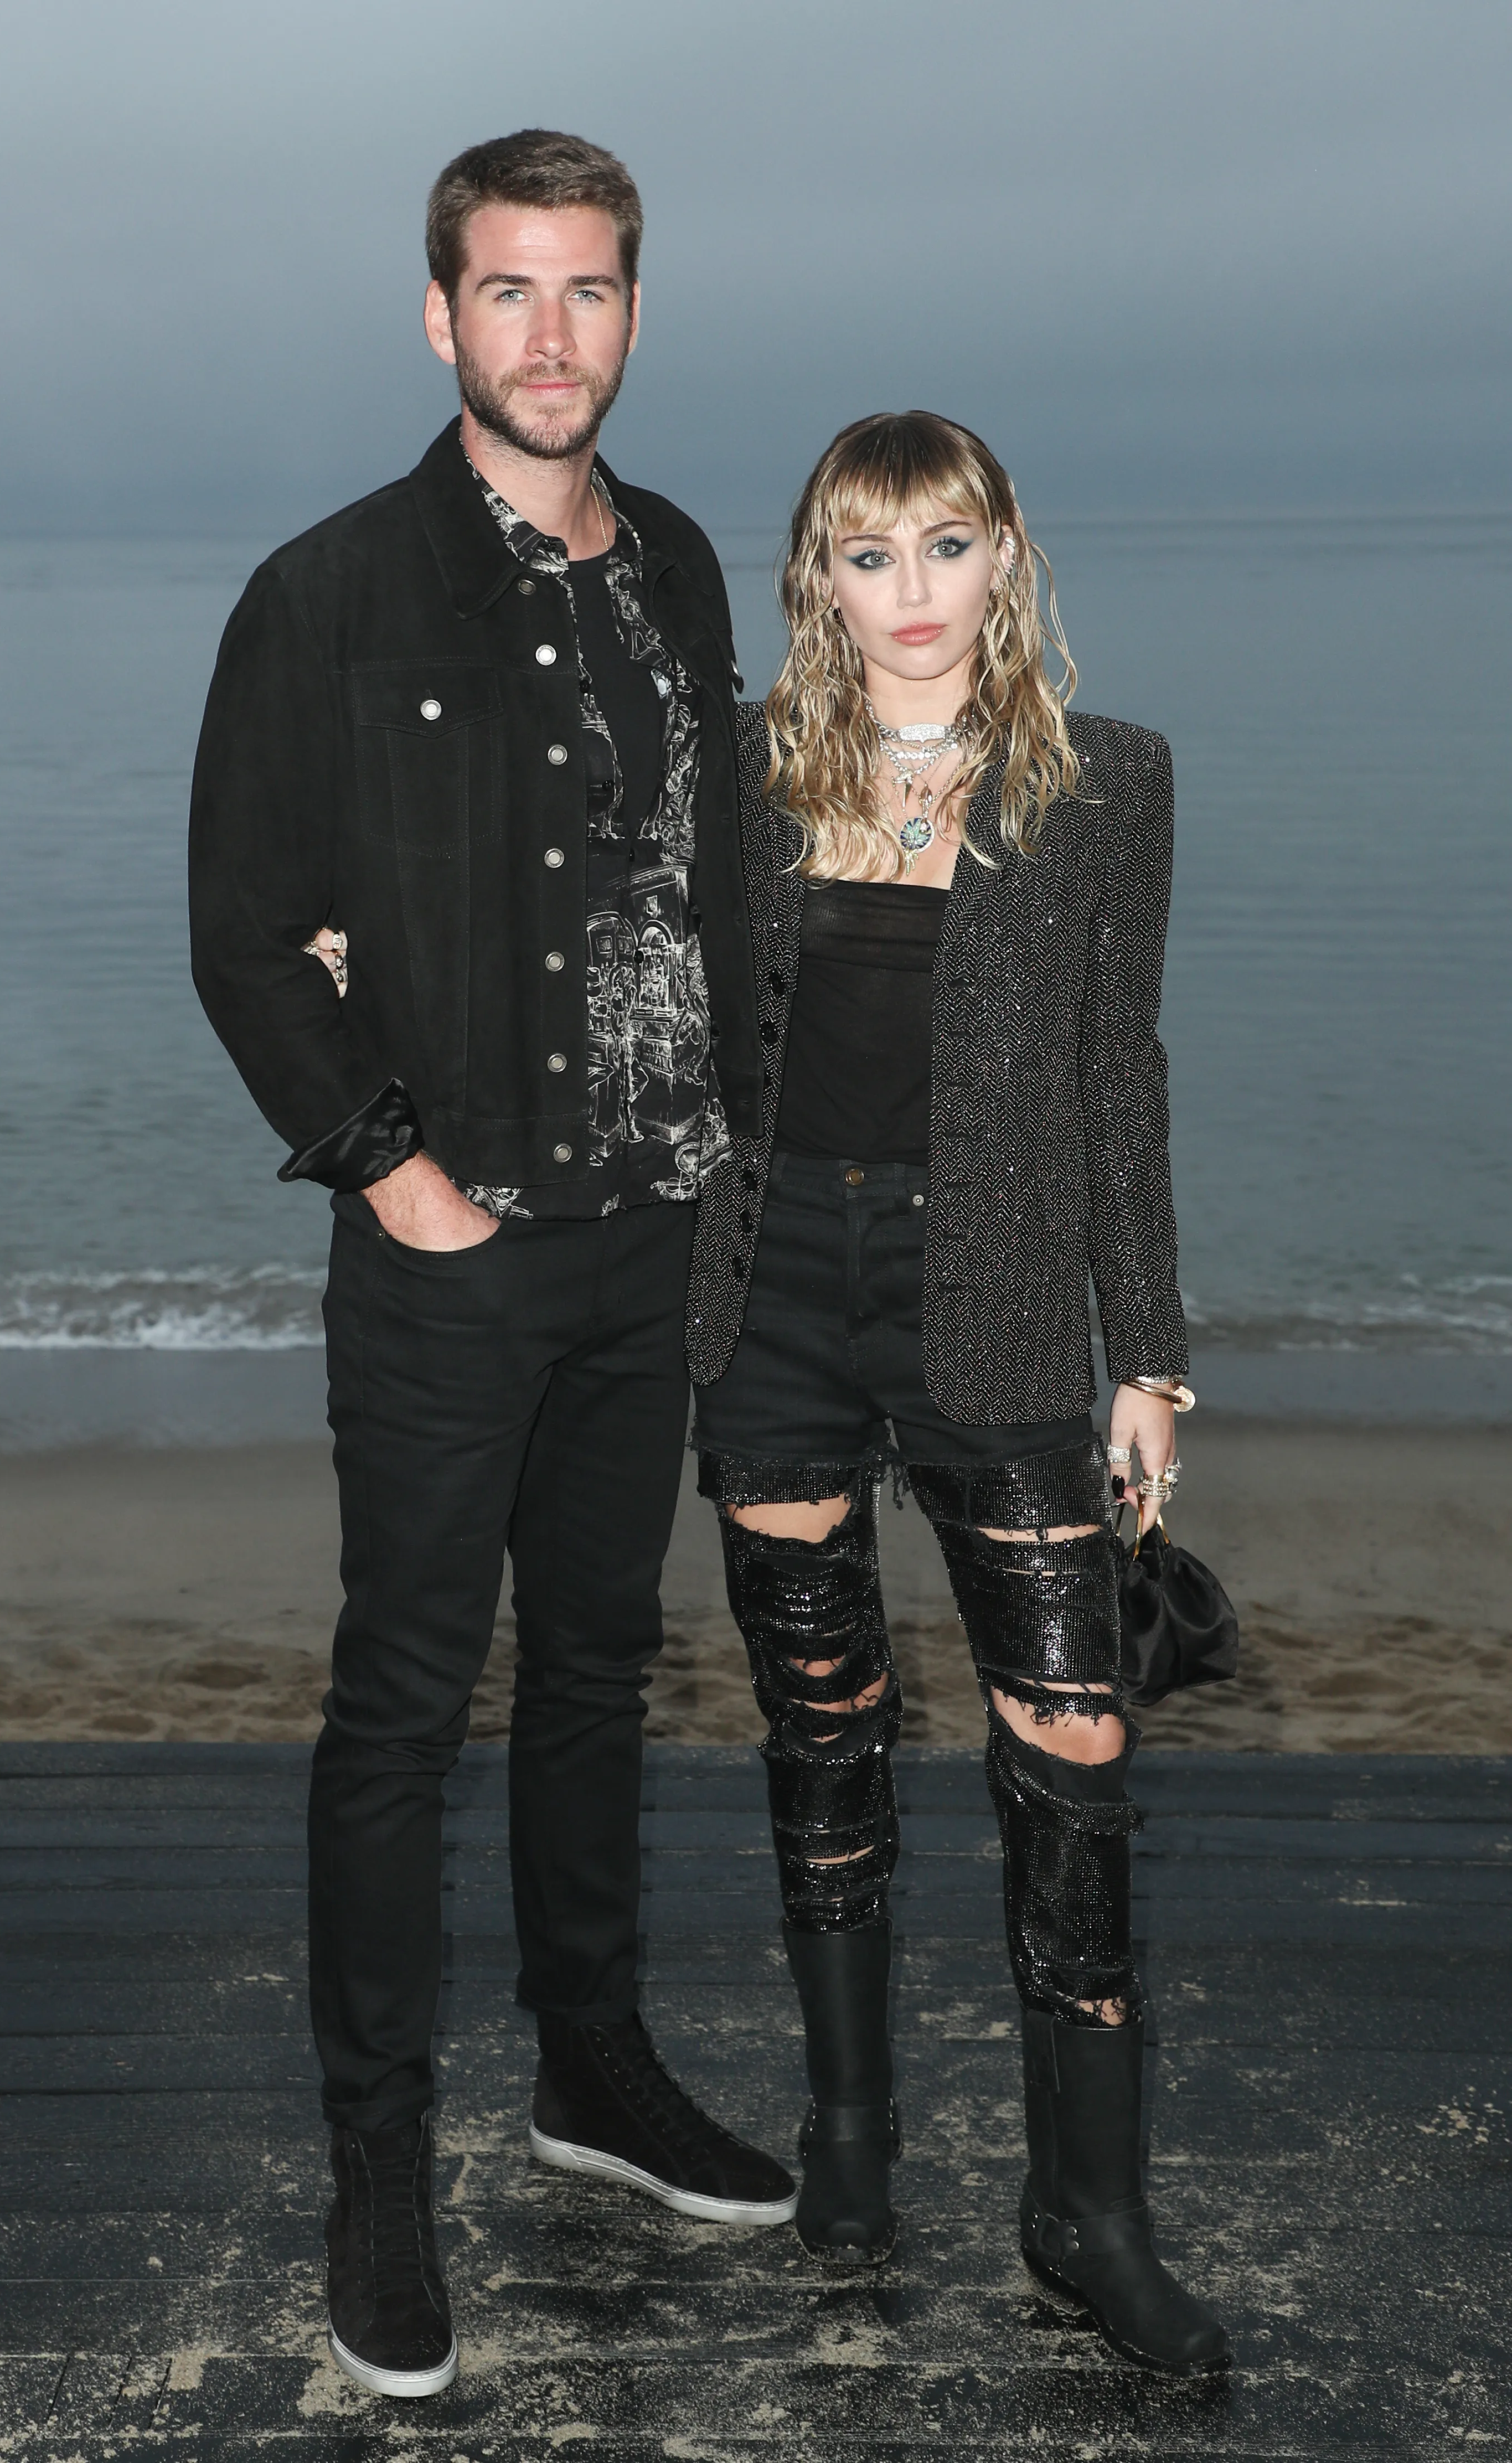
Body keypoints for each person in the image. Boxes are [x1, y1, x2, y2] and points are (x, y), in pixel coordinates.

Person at [189, 128, 796, 2405]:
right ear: (438, 316)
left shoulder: (691, 572)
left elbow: (707, 884)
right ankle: (376, 2159)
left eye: (596, 291)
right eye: (511, 293)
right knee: (401, 1700)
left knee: (605, 1668)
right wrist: (386, 1167)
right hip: (457, 1257)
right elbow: (246, 929)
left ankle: (592, 2067)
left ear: (637, 310)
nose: (557, 336)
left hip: (653, 1233)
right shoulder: (327, 593)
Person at [685, 411, 1230, 2374]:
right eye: (865, 555)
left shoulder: (1107, 788)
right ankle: (850, 2139)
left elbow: (1120, 1080)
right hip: (772, 1311)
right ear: (819, 582)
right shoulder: (744, 782)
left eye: (943, 546)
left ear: (1008, 556)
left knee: (1071, 1755)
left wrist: (1148, 1357)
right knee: (820, 1724)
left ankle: (1088, 2212)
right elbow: (623, 994)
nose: (909, 594)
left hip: (991, 1305)